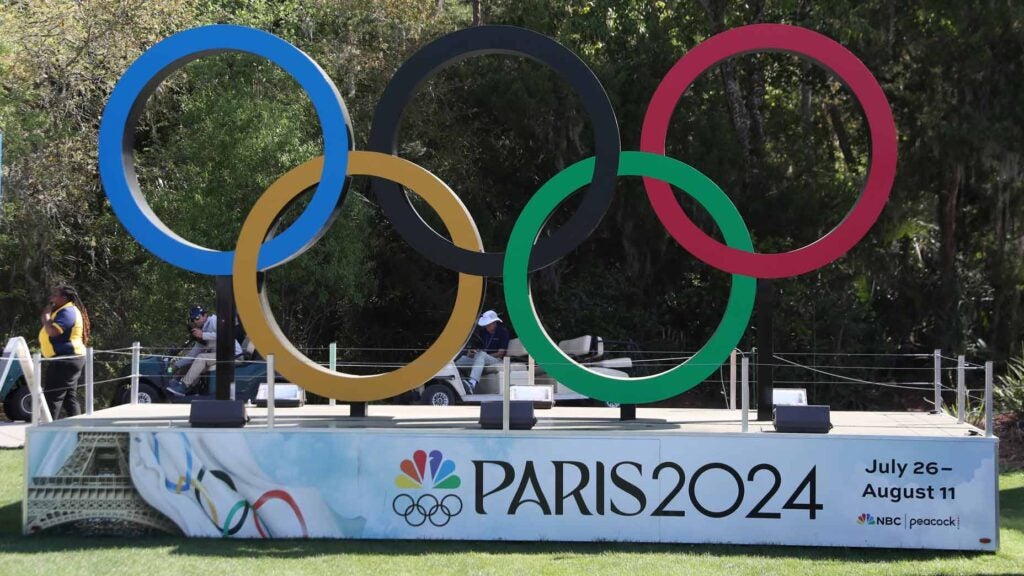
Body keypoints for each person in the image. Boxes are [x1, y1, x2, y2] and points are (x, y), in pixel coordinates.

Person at [38, 284, 90, 419]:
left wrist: (46, 316)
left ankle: (48, 435)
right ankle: (77, 428)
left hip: (66, 360)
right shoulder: (63, 310)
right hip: (69, 359)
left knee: (52, 398)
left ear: (65, 297)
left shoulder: (68, 312)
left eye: (55, 295)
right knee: (68, 398)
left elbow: (53, 331)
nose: (52, 298)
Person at [167, 305, 241, 396]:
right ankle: (192, 390)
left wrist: (203, 335)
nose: (195, 321)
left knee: (201, 358)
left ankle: (183, 387)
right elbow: (192, 355)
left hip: (234, 354)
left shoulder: (214, 321)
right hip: (221, 356)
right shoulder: (202, 332)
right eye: (193, 319)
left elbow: (226, 334)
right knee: (196, 363)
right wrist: (175, 365)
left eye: (197, 317)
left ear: (205, 315)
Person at [455, 310, 510, 394]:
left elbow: (501, 353)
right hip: (481, 359)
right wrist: (472, 353)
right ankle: (461, 385)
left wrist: (482, 355)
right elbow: (479, 348)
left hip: (496, 360)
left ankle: (472, 384)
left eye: (488, 324)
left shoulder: (502, 332)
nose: (486, 326)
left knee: (481, 355)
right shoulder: (484, 332)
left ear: (494, 323)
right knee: (459, 360)